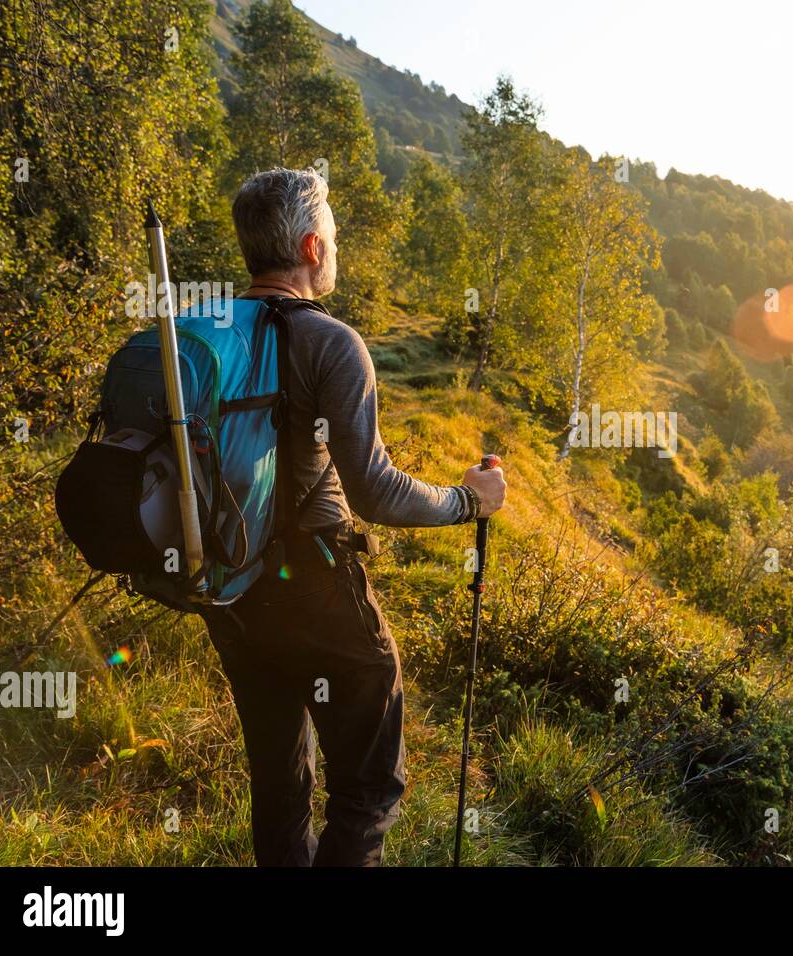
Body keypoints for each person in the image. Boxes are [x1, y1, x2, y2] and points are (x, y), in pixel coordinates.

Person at [202, 166, 506, 866]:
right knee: (368, 785)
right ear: (311, 248)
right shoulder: (332, 342)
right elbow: (373, 490)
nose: (335, 247)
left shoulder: (209, 333)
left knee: (278, 778)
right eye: (332, 236)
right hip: (314, 584)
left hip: (227, 584)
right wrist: (468, 501)